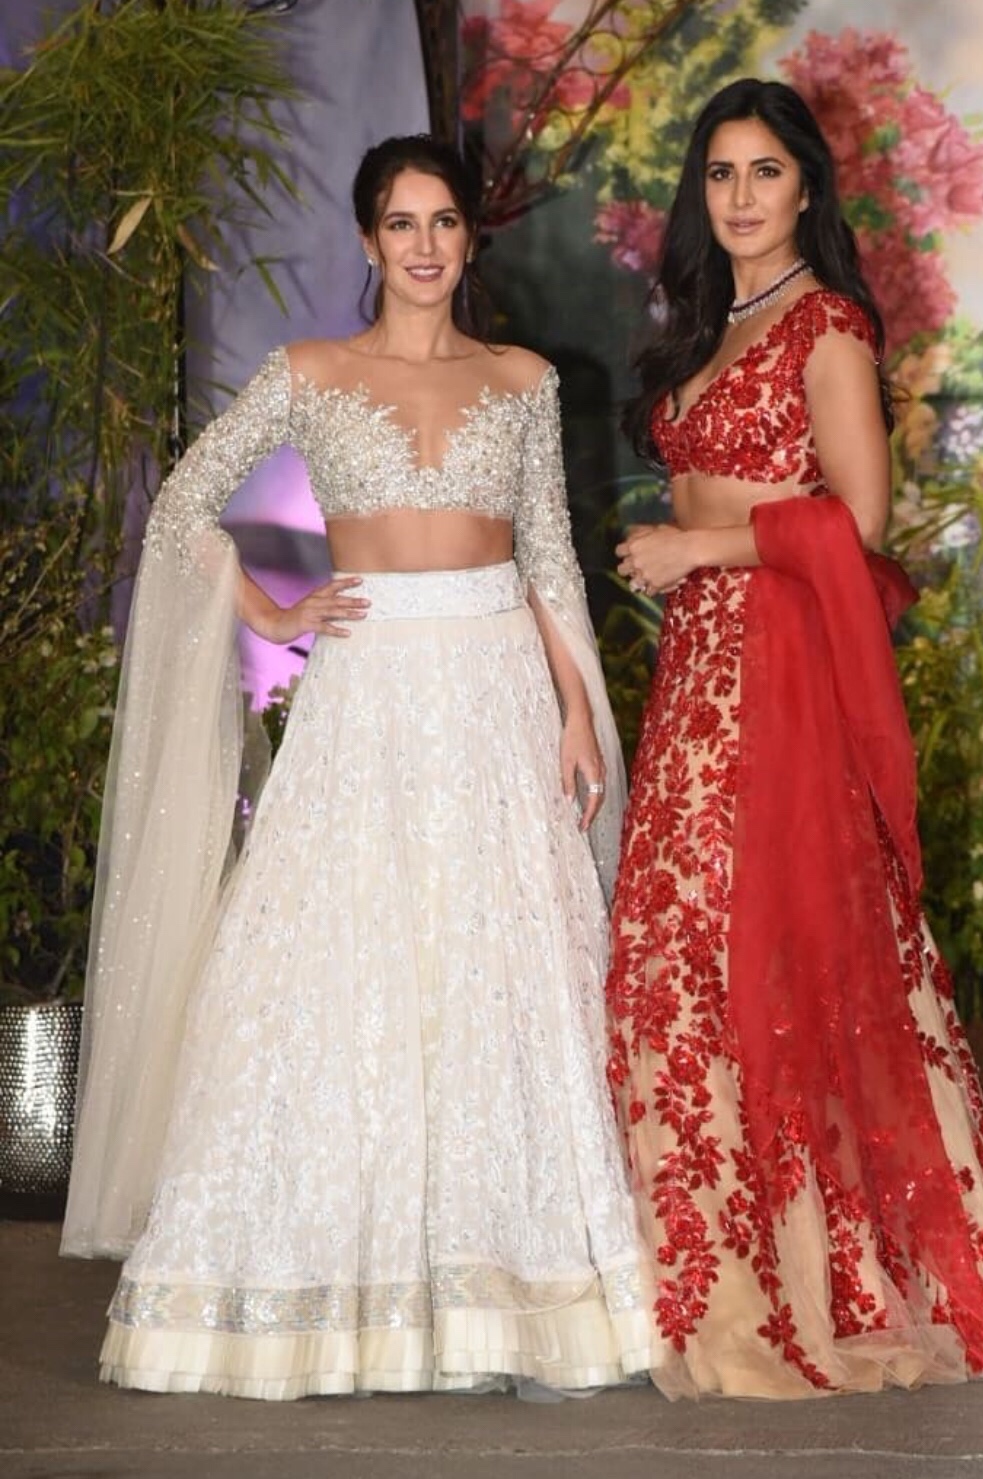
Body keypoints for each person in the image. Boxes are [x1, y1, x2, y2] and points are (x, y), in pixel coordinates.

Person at [606, 78, 983, 1400]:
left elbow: (859, 521)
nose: (740, 197)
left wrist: (699, 547)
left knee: (776, 955)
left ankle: (810, 1285)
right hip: (696, 677)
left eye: (765, 172)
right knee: (676, 957)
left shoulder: (827, 326)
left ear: (807, 189)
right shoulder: (707, 324)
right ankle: (709, 1269)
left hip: (778, 677)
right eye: (719, 172)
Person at [61, 134, 653, 1399]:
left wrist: (575, 711)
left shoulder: (524, 379)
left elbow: (550, 556)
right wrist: (270, 613)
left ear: (470, 238)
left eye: (443, 221)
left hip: (499, 696)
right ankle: (314, 1294)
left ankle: (515, 1294)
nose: (424, 245)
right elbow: (184, 506)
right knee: (335, 970)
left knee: (504, 979)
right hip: (368, 696)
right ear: (368, 239)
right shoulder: (311, 372)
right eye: (400, 223)